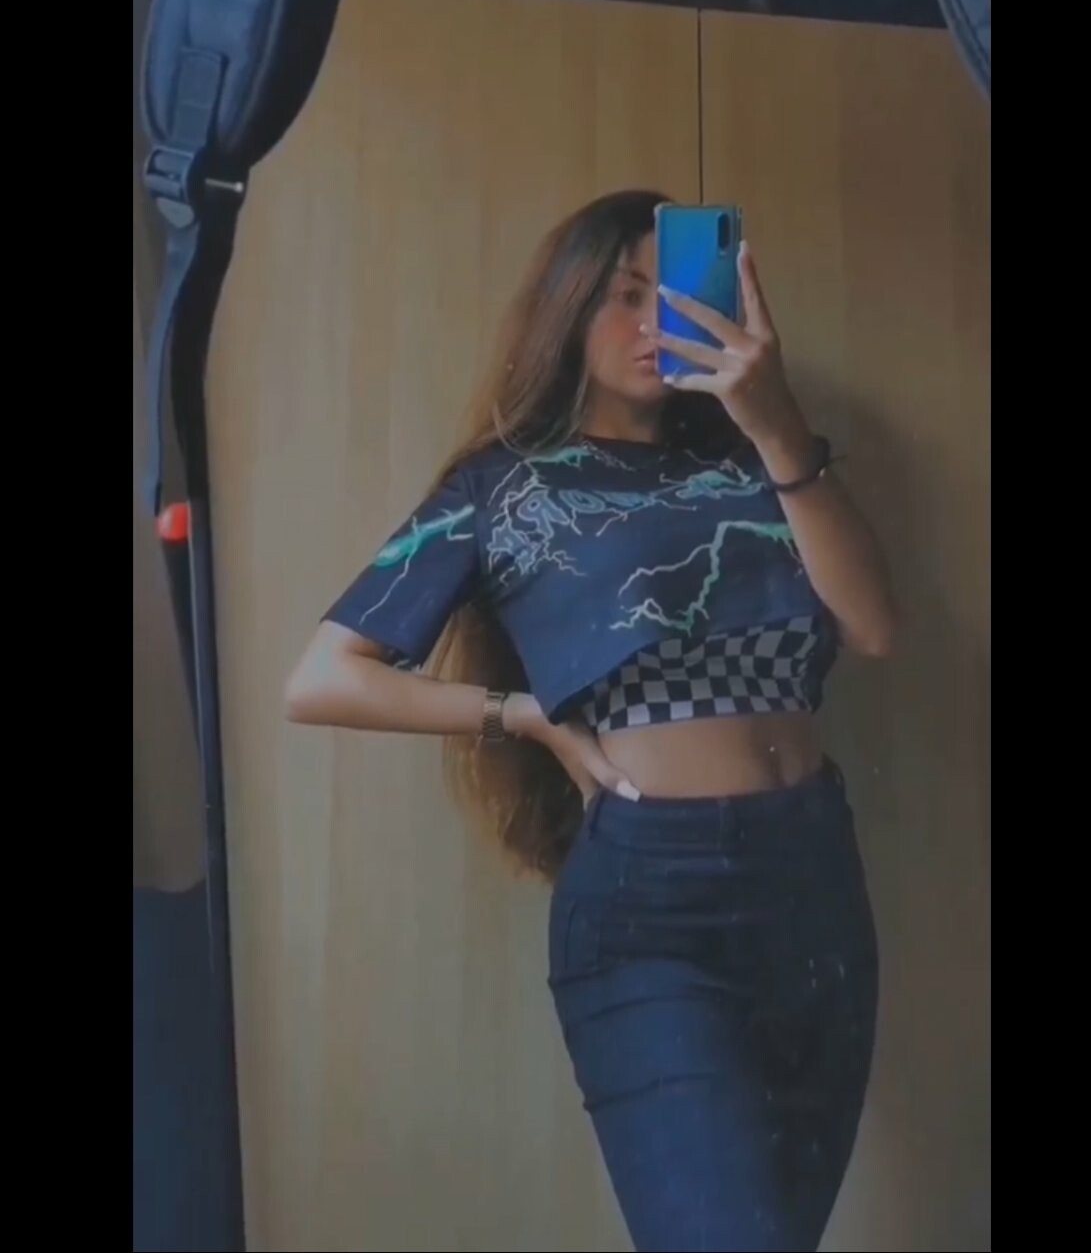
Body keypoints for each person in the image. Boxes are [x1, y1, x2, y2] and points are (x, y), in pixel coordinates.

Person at [286, 189, 897, 1253]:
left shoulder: (763, 457)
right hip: (652, 907)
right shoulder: (504, 485)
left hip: (814, 881)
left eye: (677, 292)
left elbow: (875, 629)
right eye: (625, 294)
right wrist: (522, 714)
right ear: (567, 309)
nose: (655, 320)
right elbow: (324, 678)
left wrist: (774, 421)